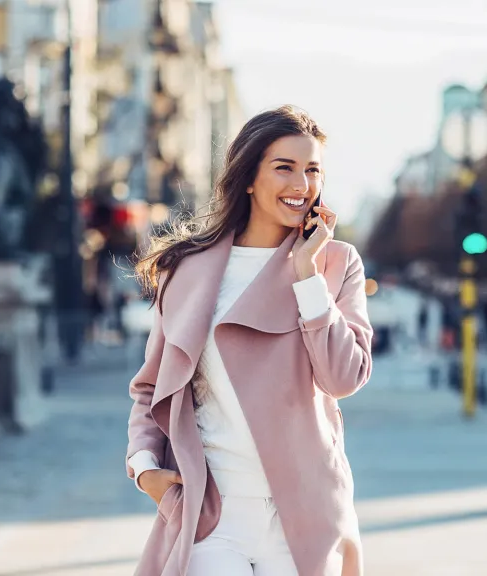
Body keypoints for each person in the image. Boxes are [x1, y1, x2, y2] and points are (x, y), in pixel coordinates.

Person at [126, 106, 373, 576]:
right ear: (248, 178)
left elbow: (343, 378)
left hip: (304, 514)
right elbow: (150, 388)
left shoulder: (336, 263)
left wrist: (306, 275)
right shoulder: (188, 269)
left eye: (312, 169)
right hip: (209, 512)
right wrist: (145, 469)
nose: (302, 184)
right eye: (284, 167)